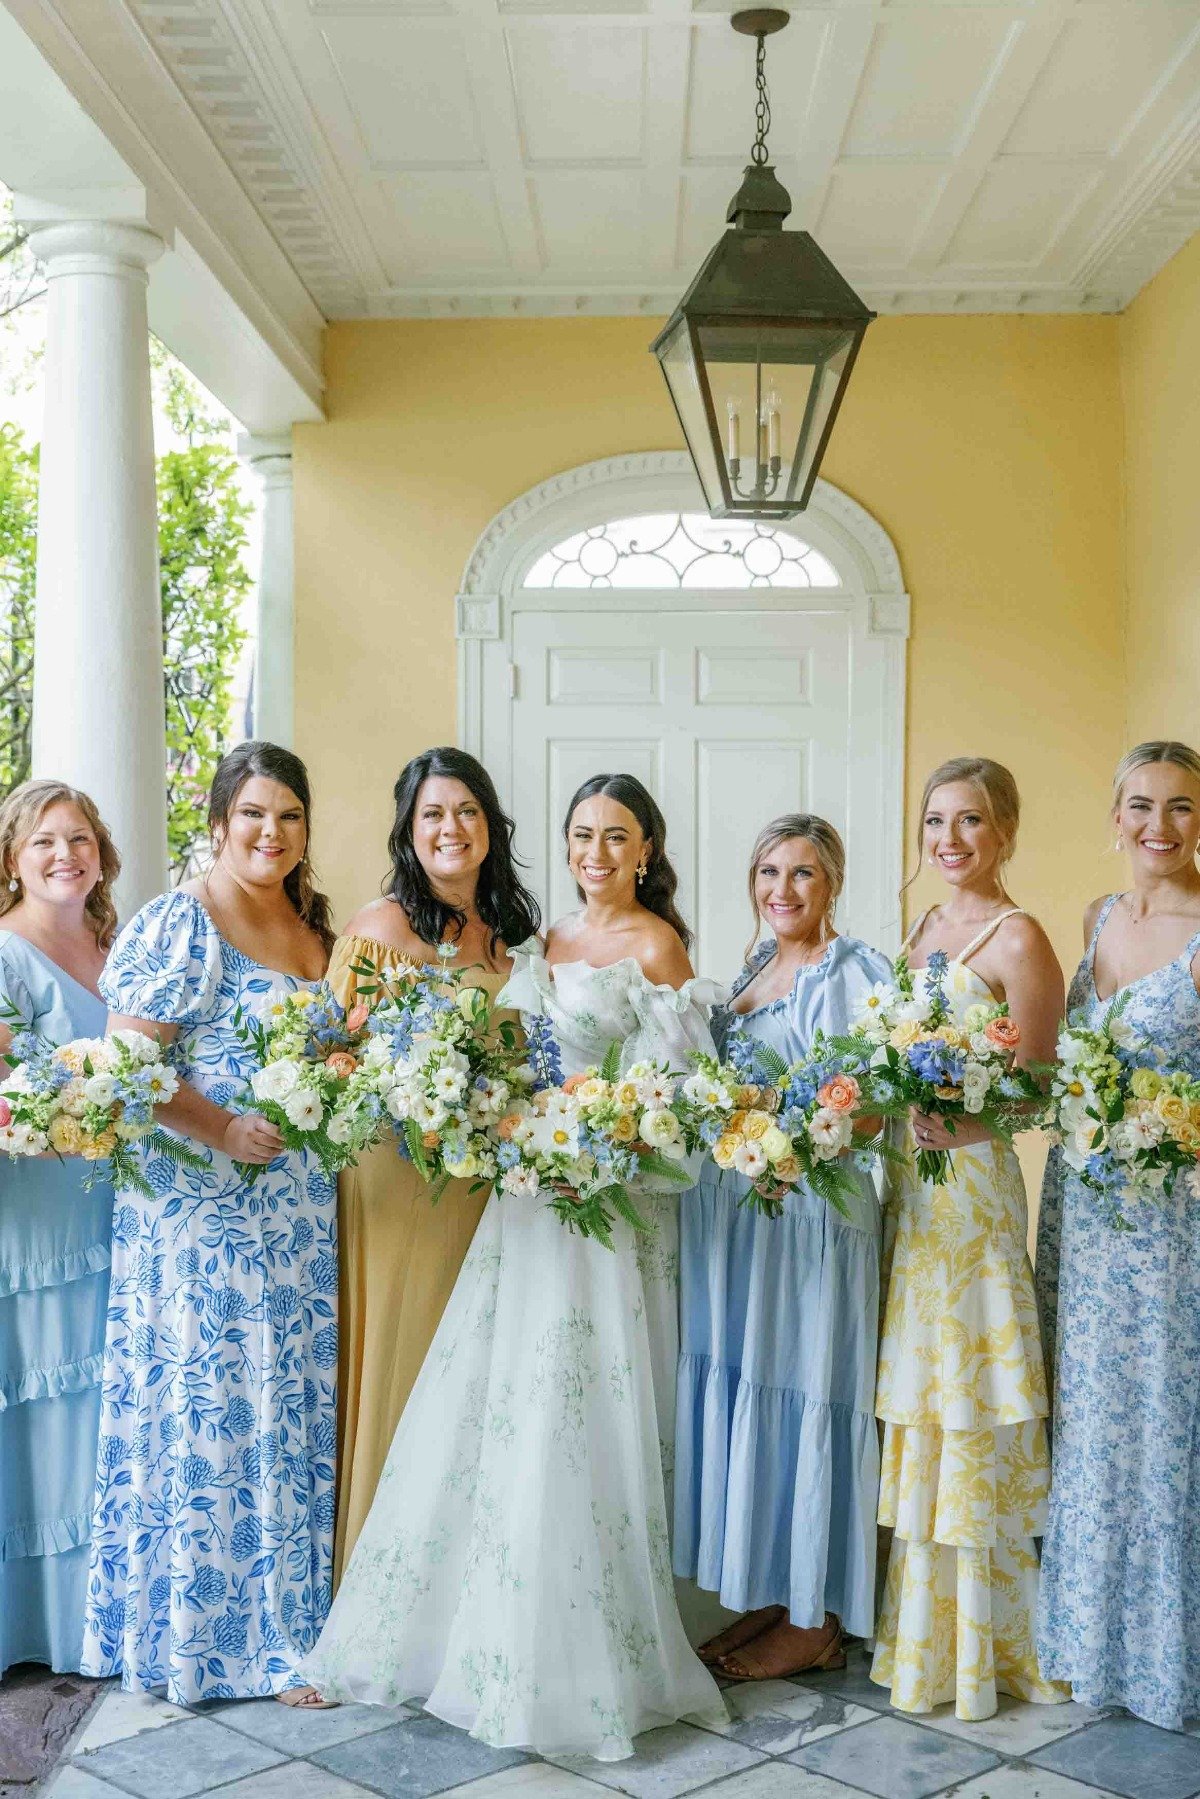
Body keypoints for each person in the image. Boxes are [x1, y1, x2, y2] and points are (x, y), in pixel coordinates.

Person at [302, 773, 727, 1760]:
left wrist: (599, 1124)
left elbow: (680, 1101)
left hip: (604, 1214)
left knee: (588, 1408)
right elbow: (506, 1063)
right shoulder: (537, 944)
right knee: (508, 1408)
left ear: (649, 850)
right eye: (582, 833)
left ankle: (595, 1648)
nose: (596, 852)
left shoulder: (657, 948)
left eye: (617, 836)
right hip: (521, 1206)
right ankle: (473, 1632)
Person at [81, 742, 338, 1708]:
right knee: (219, 1401)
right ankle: (213, 1643)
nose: (271, 833)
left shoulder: (311, 922)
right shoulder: (178, 919)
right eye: (254, 814)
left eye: (289, 816)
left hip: (299, 1209)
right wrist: (224, 1127)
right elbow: (132, 1068)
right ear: (221, 820)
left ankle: (288, 1624)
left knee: (289, 1402)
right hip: (200, 1210)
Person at [871, 756, 1068, 1721]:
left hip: (974, 1195)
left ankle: (993, 1644)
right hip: (913, 1192)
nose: (951, 839)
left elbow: (1042, 1086)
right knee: (924, 1393)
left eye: (973, 822)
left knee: (970, 1391)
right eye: (937, 821)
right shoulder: (917, 932)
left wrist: (966, 1124)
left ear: (1006, 831)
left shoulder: (1018, 937)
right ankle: (923, 1639)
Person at [674, 815, 891, 1679]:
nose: (783, 890)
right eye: (769, 871)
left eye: (803, 873)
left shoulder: (853, 969)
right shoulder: (757, 964)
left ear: (833, 882)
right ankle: (783, 1589)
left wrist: (800, 1151)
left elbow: (871, 1104)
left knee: (808, 1388)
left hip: (809, 1222)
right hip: (742, 1217)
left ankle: (819, 1620)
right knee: (757, 1385)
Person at [328, 747, 539, 1579]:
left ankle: (455, 1589)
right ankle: (371, 1590)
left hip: (484, 1189)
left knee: (473, 1376)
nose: (450, 828)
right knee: (404, 1367)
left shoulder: (510, 942)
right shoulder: (379, 929)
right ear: (408, 831)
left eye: (466, 812)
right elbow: (333, 1058)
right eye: (432, 815)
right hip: (398, 1178)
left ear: (490, 826)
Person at [1037, 740, 1200, 1729]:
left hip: (1176, 1213)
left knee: (1167, 1421)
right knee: (1096, 1414)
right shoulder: (1098, 916)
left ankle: (1169, 1655)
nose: (1159, 825)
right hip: (1090, 1208)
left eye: (1181, 806)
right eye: (1142, 804)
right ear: (1114, 813)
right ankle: (1091, 1642)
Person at [0, 780, 119, 1674]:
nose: (63, 854)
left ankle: (96, 1614)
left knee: (99, 1399)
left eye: (79, 838)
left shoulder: (115, 945)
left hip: (114, 1204)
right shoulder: (5, 953)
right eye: (43, 840)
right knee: (43, 1401)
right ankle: (32, 1625)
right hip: (38, 1215)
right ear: (13, 855)